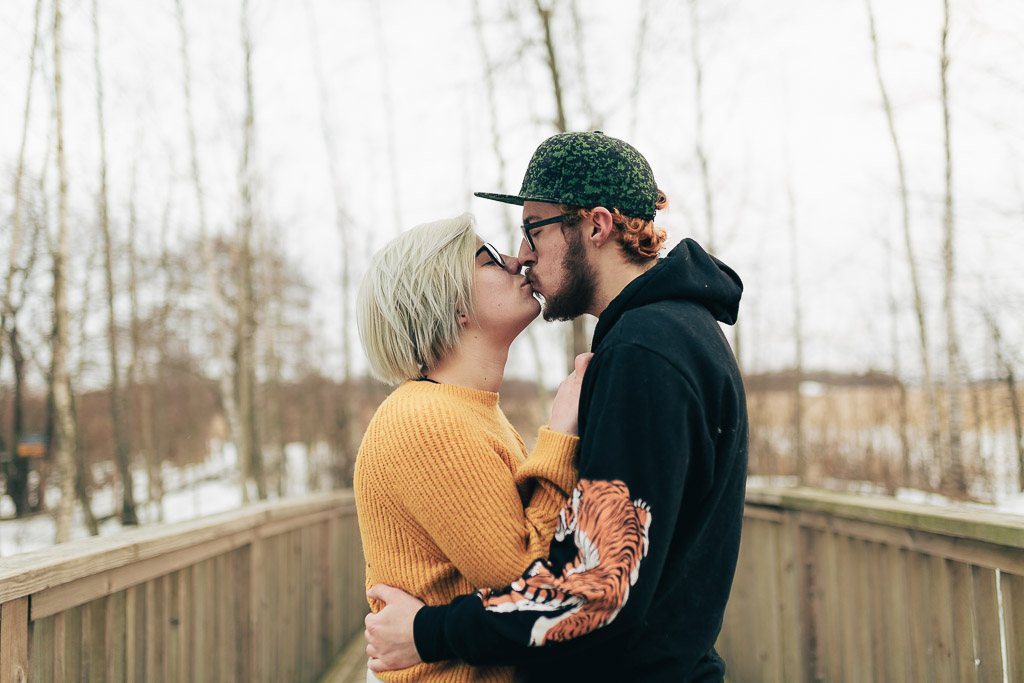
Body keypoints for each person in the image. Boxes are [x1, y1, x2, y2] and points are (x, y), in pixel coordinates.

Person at [363, 132, 748, 682]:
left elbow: (596, 589)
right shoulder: (661, 338)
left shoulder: (645, 351)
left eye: (532, 230)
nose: (522, 255)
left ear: (594, 226)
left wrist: (429, 632)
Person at [354, 213, 592, 683]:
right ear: (454, 304)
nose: (516, 261)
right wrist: (561, 439)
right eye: (488, 258)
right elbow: (525, 585)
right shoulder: (428, 421)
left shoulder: (467, 410)